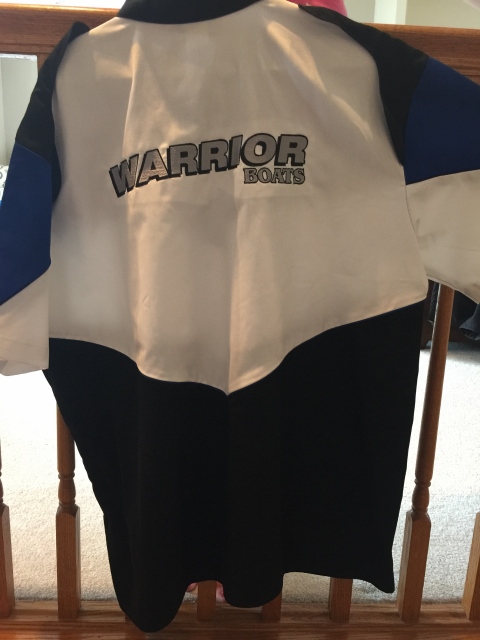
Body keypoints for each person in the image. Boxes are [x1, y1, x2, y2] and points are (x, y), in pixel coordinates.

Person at [1, 0, 479, 633]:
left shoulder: (74, 78)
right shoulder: (359, 66)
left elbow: (15, 284)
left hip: (148, 412)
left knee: (161, 519)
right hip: (293, 411)